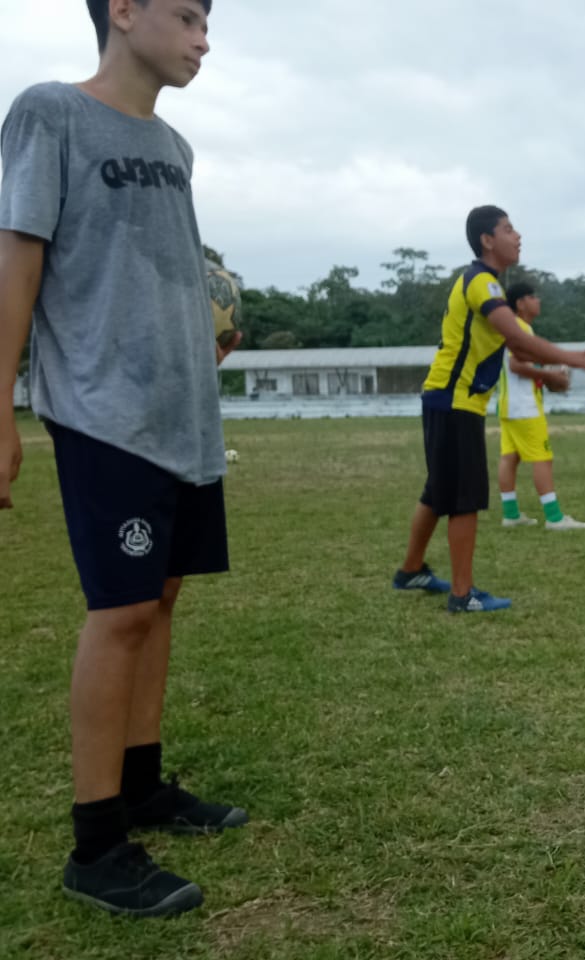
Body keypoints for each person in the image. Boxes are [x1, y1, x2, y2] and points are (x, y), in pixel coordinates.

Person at [0, 0, 249, 918]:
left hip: (182, 412)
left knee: (162, 596)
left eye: (208, 21)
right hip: (104, 409)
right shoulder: (49, 111)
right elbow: (18, 260)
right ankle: (97, 845)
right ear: (125, 10)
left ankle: (142, 785)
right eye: (186, 15)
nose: (203, 38)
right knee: (122, 610)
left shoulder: (175, 148)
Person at [393, 206, 585, 611]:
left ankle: (411, 570)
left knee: (438, 491)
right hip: (456, 401)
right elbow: (519, 340)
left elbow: (517, 349)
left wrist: (564, 365)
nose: (518, 236)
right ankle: (463, 594)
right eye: (509, 229)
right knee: (463, 498)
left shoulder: (485, 284)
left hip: (448, 399)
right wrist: (580, 361)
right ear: (487, 240)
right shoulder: (482, 282)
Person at [495, 282, 585, 530]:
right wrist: (551, 376)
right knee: (542, 458)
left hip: (508, 404)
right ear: (520, 303)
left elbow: (522, 366)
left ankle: (511, 514)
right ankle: (554, 518)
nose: (538, 301)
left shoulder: (511, 328)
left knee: (510, 457)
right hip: (524, 406)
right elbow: (516, 365)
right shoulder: (521, 328)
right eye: (533, 296)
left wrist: (546, 375)